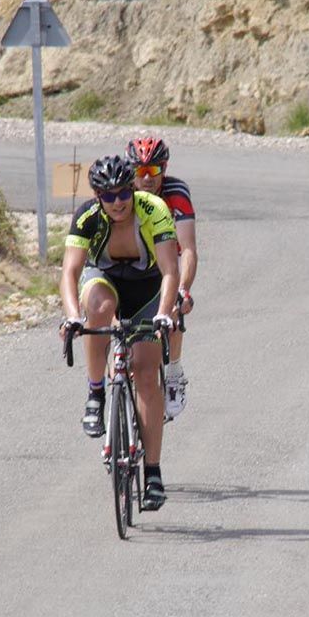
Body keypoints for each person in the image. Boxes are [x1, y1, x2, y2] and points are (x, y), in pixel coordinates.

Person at [58, 155, 179, 510]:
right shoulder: (87, 216)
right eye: (107, 196)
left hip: (148, 289)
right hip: (106, 281)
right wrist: (71, 317)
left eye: (123, 192)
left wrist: (162, 316)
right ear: (97, 196)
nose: (117, 202)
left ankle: (153, 473)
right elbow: (70, 272)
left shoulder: (153, 208)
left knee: (144, 373)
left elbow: (170, 270)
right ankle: (96, 393)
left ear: (132, 190)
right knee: (97, 311)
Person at [126, 137, 198, 421]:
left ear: (164, 169)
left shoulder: (176, 191)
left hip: (165, 263)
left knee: (173, 307)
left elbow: (188, 248)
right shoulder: (121, 193)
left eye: (152, 172)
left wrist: (184, 289)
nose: (145, 179)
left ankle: (174, 373)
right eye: (140, 172)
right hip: (133, 263)